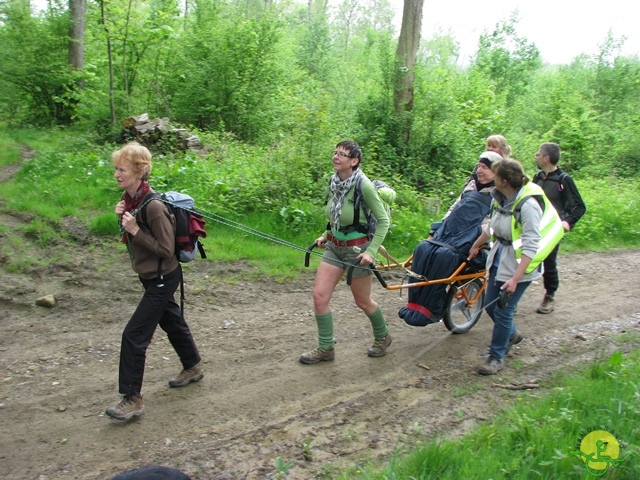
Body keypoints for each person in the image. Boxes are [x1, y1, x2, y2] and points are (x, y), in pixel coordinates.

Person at [106, 142, 203, 421]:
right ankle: (193, 366)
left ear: (139, 171)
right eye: (116, 168)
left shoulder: (155, 206)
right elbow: (134, 237)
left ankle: (132, 398)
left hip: (163, 276)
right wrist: (123, 220)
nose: (116, 174)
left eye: (121, 169)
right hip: (149, 277)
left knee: (134, 335)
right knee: (171, 320)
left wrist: (134, 229)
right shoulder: (132, 201)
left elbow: (164, 249)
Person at [300, 140, 392, 364]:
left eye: (342, 154)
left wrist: (370, 252)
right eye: (335, 152)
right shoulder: (334, 182)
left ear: (354, 161)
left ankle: (383, 336)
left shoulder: (364, 185)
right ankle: (326, 348)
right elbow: (336, 215)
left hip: (357, 251)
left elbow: (383, 221)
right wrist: (325, 234)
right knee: (319, 297)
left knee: (363, 301)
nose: (336, 157)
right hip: (334, 247)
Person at [468, 158, 562, 375]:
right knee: (491, 306)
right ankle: (512, 334)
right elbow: (492, 226)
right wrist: (476, 245)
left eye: (495, 174)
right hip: (500, 259)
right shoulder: (499, 198)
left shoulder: (528, 206)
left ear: (504, 180)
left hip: (520, 266)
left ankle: (495, 358)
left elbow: (531, 245)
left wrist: (516, 279)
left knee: (503, 311)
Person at [398, 151, 501, 326]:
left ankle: (431, 309)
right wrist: (441, 227)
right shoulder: (471, 186)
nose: (479, 170)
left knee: (444, 256)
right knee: (423, 248)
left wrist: (477, 238)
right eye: (479, 166)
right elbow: (454, 209)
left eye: (485, 168)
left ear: (496, 172)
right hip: (450, 231)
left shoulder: (498, 194)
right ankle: (415, 305)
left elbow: (492, 224)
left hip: (472, 236)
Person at [533, 142, 586, 314]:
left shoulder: (564, 180)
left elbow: (579, 206)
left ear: (546, 158)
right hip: (534, 225)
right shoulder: (537, 178)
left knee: (548, 262)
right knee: (523, 257)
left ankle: (549, 296)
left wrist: (567, 222)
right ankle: (512, 295)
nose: (536, 157)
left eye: (538, 154)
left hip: (553, 228)